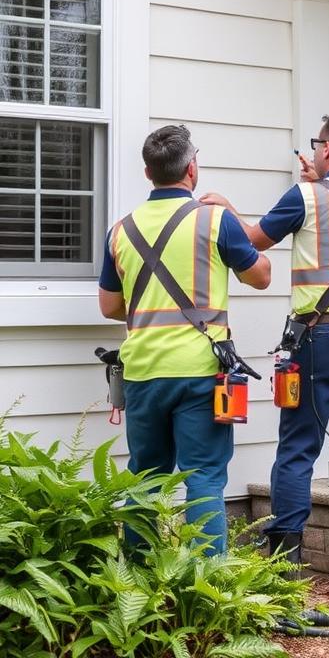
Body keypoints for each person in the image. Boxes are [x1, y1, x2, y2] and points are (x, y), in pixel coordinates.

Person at [200, 115, 329, 604]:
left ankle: (285, 569)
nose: (312, 153)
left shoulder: (306, 197)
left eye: (316, 146)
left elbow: (254, 240)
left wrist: (227, 209)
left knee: (297, 449)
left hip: (318, 340)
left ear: (327, 149)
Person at [98, 125, 271, 555]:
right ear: (192, 168)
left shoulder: (120, 231)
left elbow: (110, 306)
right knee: (204, 477)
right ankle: (206, 582)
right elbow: (261, 277)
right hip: (201, 371)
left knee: (145, 479)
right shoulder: (215, 221)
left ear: (148, 172)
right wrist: (237, 220)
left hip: (142, 372)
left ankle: (136, 575)